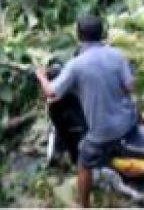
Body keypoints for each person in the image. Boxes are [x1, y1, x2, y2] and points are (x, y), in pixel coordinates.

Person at [35, 15, 138, 207]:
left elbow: (51, 92)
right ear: (103, 33)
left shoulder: (76, 65)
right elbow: (130, 87)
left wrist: (41, 76)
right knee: (135, 109)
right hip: (128, 122)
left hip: (105, 132)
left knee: (84, 162)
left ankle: (84, 205)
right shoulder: (116, 54)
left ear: (78, 36)